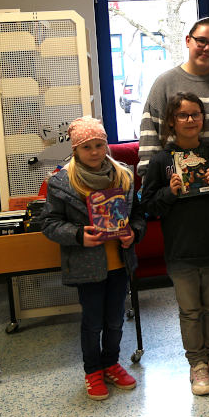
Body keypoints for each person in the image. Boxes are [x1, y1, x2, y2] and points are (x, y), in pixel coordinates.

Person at [136, 17, 209, 294]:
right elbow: (151, 129)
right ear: (188, 41)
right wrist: (152, 179)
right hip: (185, 182)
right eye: (202, 41)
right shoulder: (166, 82)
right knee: (193, 261)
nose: (207, 48)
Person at [41, 115, 146, 401]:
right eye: (88, 147)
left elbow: (138, 216)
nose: (95, 152)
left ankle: (111, 363)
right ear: (75, 150)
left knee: (114, 320)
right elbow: (49, 224)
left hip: (119, 262)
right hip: (86, 264)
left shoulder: (122, 175)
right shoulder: (61, 182)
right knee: (93, 322)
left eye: (100, 145)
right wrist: (78, 235)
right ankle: (92, 370)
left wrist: (133, 234)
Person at [141, 92, 209, 396]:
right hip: (181, 251)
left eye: (195, 114)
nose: (190, 120)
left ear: (203, 119)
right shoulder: (160, 161)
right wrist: (169, 192)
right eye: (183, 115)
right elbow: (148, 206)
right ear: (171, 121)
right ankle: (196, 364)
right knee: (190, 311)